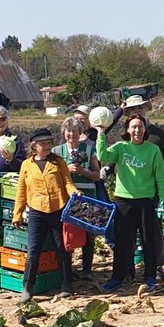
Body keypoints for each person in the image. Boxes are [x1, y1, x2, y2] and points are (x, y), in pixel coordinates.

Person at [95, 114, 164, 292]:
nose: (137, 130)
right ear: (127, 129)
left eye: (140, 127)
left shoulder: (153, 150)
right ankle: (118, 276)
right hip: (123, 201)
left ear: (145, 129)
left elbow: (160, 177)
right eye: (134, 127)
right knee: (122, 241)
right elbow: (103, 155)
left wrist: (163, 200)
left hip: (145, 201)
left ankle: (149, 276)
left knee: (148, 240)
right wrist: (101, 134)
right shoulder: (121, 147)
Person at [12, 129, 79, 302]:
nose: (47, 146)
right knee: (33, 251)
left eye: (49, 143)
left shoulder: (59, 162)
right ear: (34, 146)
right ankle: (27, 288)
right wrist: (17, 214)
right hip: (36, 211)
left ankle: (66, 285)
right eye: (43, 143)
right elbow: (21, 191)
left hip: (58, 209)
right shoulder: (27, 165)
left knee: (62, 249)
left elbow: (67, 183)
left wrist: (75, 193)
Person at [55, 117, 101, 275]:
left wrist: (83, 172)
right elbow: (52, 175)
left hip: (87, 197)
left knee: (88, 234)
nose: (71, 134)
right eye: (68, 131)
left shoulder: (89, 149)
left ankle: (87, 270)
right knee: (67, 233)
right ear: (64, 132)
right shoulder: (57, 152)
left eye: (75, 131)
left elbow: (97, 175)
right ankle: (68, 270)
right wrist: (66, 168)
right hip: (66, 198)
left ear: (79, 132)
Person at [105, 95, 164, 167]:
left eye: (140, 107)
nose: (137, 110)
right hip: (124, 177)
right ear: (129, 113)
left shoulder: (159, 134)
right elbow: (116, 155)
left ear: (146, 109)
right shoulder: (122, 133)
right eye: (133, 109)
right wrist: (108, 167)